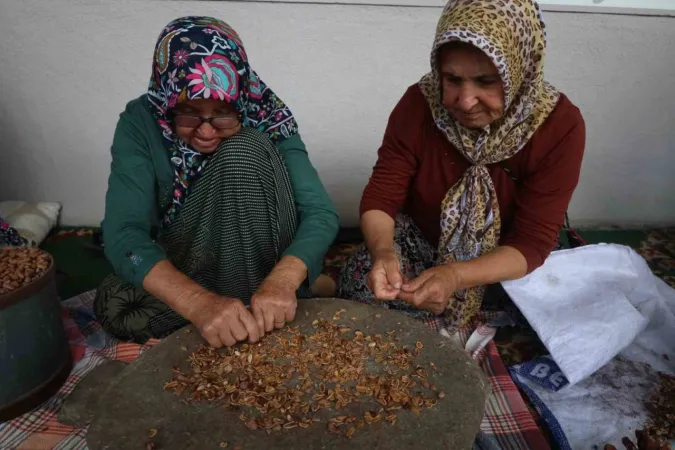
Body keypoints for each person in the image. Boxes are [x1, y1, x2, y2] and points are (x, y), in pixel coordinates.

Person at [338, 0, 585, 332]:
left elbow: (531, 242)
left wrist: (456, 276)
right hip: (427, 243)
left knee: (560, 314)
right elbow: (382, 196)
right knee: (363, 283)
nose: (465, 101)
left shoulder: (559, 125)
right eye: (452, 80)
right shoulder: (419, 104)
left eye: (486, 81)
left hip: (506, 257)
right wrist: (384, 254)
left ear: (520, 69)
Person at [95, 17, 339, 348]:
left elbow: (320, 213)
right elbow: (123, 233)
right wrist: (198, 303)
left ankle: (270, 297)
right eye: (189, 112)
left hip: (262, 255)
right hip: (192, 258)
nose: (207, 131)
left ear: (240, 100)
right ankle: (259, 303)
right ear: (169, 99)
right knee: (115, 306)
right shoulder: (141, 121)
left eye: (224, 113)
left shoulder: (266, 113)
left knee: (243, 151)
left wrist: (283, 280)